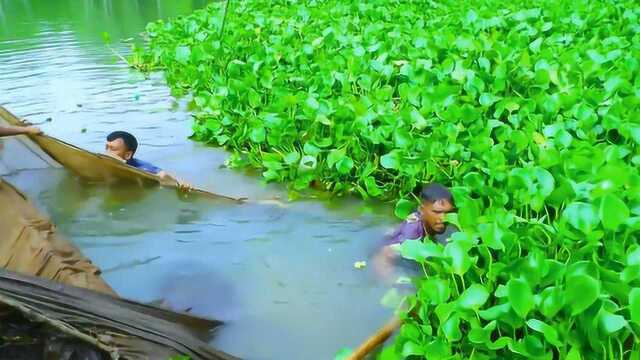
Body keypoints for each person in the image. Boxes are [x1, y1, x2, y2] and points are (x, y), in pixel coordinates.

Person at [373, 182, 458, 281]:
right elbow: (383, 256)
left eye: (448, 213)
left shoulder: (434, 222)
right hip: (393, 246)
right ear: (422, 210)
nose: (443, 218)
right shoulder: (412, 234)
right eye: (437, 212)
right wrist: (394, 282)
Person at [104, 131, 192, 191]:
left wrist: (180, 183)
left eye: (112, 149)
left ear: (128, 155)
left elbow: (162, 174)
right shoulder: (101, 161)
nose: (107, 152)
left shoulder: (140, 167)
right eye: (106, 147)